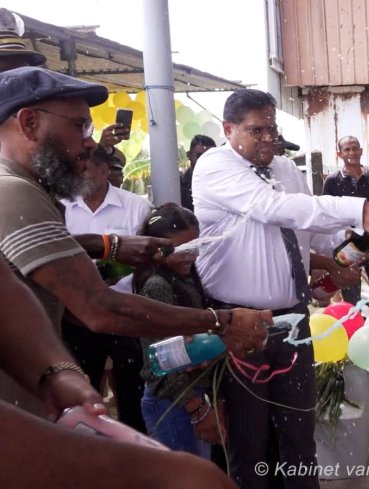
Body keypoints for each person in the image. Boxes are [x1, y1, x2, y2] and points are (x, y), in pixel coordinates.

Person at [0, 66, 269, 414]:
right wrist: (221, 322)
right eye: (79, 125)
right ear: (29, 123)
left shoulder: (27, 190)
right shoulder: (14, 192)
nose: (90, 142)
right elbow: (98, 308)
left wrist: (110, 247)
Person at [192, 88, 369, 489]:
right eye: (256, 131)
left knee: (300, 435)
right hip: (239, 323)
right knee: (250, 442)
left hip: (294, 321)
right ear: (228, 128)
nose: (268, 139)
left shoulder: (286, 169)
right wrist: (360, 208)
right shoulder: (214, 166)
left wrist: (354, 243)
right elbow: (273, 208)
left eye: (272, 129)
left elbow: (312, 230)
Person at [0, 259, 236, 489]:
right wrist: (148, 469)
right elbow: (99, 307)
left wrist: (57, 374)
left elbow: (6, 292)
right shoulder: (157, 286)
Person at [60, 145, 154, 432]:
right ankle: (86, 451)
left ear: (105, 170)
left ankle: (135, 450)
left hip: (126, 314)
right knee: (82, 389)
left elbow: (150, 258)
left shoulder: (136, 206)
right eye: (76, 166)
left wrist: (120, 267)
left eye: (86, 167)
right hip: (77, 315)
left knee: (132, 390)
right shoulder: (59, 207)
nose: (79, 173)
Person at [134, 203, 224, 457]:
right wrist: (196, 409)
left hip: (186, 397)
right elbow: (159, 364)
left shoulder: (185, 279)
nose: (190, 255)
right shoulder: (158, 287)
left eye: (194, 247)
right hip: (174, 401)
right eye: (181, 249)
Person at [323, 135, 369, 308]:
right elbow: (327, 215)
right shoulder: (332, 182)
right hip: (347, 246)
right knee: (351, 299)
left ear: (361, 151)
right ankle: (355, 332)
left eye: (355, 148)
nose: (352, 152)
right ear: (339, 154)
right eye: (347, 149)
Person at [180, 134, 216, 211]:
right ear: (188, 155)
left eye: (210, 156)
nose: (205, 161)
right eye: (199, 156)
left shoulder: (224, 181)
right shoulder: (180, 184)